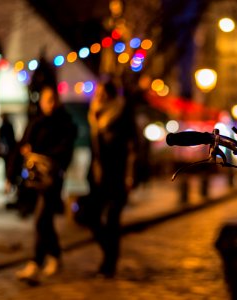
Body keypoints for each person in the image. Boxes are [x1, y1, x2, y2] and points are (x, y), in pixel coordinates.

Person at [12, 84, 77, 283]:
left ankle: (35, 262)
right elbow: (22, 144)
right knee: (45, 220)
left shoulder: (65, 123)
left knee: (41, 218)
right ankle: (55, 256)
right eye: (47, 100)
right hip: (34, 178)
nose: (50, 104)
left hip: (51, 179)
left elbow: (65, 150)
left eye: (53, 100)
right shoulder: (36, 122)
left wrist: (47, 158)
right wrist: (12, 173)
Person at [87, 79, 137, 278]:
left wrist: (129, 175)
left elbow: (132, 147)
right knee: (89, 215)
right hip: (98, 174)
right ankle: (108, 253)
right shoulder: (94, 114)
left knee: (113, 220)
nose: (98, 96)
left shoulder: (122, 112)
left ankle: (109, 263)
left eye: (102, 92)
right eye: (97, 92)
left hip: (118, 172)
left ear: (110, 94)